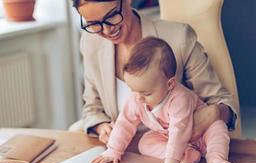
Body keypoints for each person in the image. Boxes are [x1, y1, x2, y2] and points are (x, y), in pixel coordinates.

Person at [71, 0, 238, 148]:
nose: (106, 30)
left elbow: (223, 104)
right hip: (124, 153)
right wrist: (102, 127)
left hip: (178, 152)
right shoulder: (91, 42)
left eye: (112, 15)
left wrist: (212, 114)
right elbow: (92, 108)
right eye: (93, 23)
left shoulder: (179, 38)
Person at [91, 37, 235, 163]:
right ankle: (187, 155)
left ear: (170, 84)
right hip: (167, 136)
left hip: (200, 132)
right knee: (145, 143)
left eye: (146, 93)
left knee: (217, 127)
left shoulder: (179, 98)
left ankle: (216, 161)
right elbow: (124, 123)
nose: (138, 97)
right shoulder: (136, 98)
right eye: (133, 90)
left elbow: (178, 131)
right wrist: (113, 150)